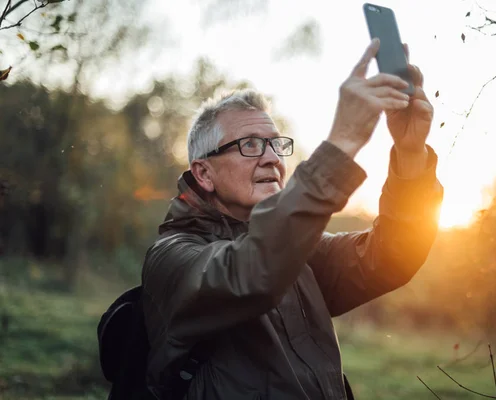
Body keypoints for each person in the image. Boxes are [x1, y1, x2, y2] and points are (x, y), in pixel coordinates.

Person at [141, 38, 443, 400]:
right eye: (249, 145)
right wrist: (344, 139)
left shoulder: (299, 251)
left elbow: (393, 256)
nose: (271, 158)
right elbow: (251, 273)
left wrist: (411, 154)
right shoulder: (171, 257)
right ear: (204, 174)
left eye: (275, 144)